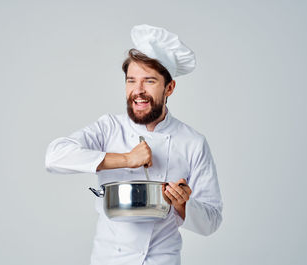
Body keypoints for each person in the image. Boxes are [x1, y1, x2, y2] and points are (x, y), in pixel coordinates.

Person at [45, 24, 223, 265]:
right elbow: (55, 157)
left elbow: (211, 221)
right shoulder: (109, 127)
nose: (138, 91)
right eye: (131, 81)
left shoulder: (192, 142)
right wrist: (126, 159)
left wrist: (183, 204)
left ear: (169, 87)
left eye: (149, 81)